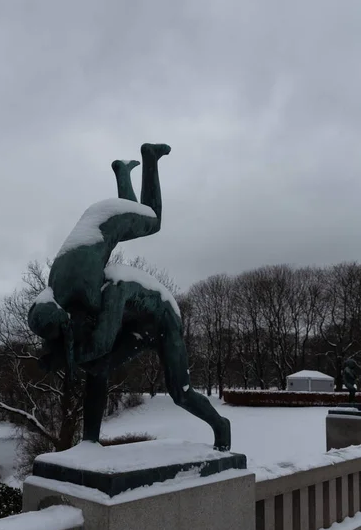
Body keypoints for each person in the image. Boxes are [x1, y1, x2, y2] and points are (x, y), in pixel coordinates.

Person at [28, 143, 231, 450]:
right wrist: (59, 352)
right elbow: (73, 340)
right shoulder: (57, 291)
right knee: (97, 369)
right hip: (131, 308)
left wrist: (63, 357)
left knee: (181, 392)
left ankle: (150, 159)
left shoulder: (108, 292)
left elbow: (102, 344)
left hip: (162, 319)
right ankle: (90, 442)